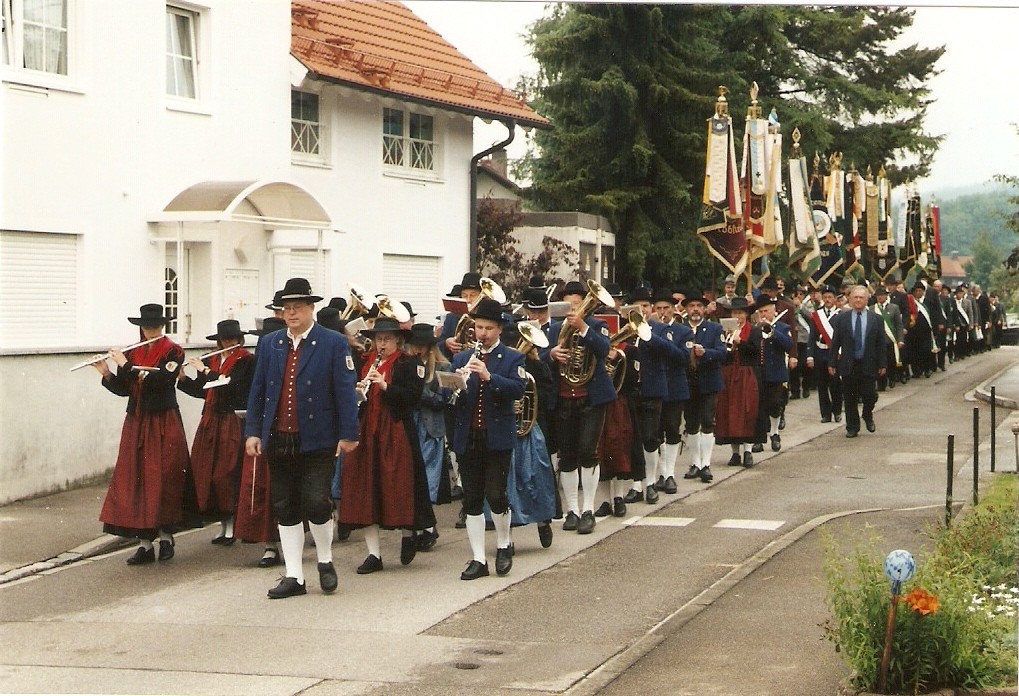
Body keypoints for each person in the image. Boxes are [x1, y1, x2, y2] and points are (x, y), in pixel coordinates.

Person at [245, 278, 360, 599]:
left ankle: (325, 560)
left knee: (315, 500)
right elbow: (259, 391)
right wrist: (253, 431)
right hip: (279, 438)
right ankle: (294, 575)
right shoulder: (270, 344)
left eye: (298, 307)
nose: (291, 313)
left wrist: (349, 433)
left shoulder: (333, 343)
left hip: (318, 438)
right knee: (284, 505)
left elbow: (345, 392)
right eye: (286, 308)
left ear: (312, 308)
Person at [338, 315, 436, 574]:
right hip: (368, 430)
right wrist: (359, 389)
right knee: (366, 489)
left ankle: (408, 535)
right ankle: (374, 554)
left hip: (395, 430)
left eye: (387, 340)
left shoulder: (409, 363)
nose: (382, 344)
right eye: (379, 339)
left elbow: (412, 399)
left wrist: (385, 385)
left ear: (399, 341)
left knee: (400, 484)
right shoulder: (365, 362)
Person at [95, 303, 189, 565]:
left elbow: (161, 383)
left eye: (155, 326)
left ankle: (167, 537)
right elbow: (127, 389)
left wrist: (124, 364)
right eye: (147, 327)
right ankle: (145, 544)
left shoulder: (173, 351)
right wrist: (107, 375)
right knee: (135, 478)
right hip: (137, 420)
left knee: (164, 476)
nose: (151, 331)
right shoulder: (134, 351)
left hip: (163, 419)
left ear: (163, 326)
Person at [450, 297, 527, 579]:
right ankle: (478, 559)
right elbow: (448, 396)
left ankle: (504, 544)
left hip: (496, 438)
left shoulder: (512, 357)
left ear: (499, 330)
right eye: (478, 327)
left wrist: (489, 376)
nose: (482, 333)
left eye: (488, 328)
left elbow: (518, 389)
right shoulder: (461, 358)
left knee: (496, 494)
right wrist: (455, 384)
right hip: (468, 437)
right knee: (471, 498)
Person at [546, 280, 616, 534]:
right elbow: (541, 357)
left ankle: (588, 508)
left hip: (591, 397)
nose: (572, 309)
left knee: (588, 451)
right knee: (567, 454)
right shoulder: (554, 330)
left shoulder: (597, 325)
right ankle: (572, 510)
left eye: (577, 304)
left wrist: (583, 327)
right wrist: (551, 355)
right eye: (569, 304)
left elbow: (604, 350)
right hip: (564, 397)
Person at [177, 319, 255, 545]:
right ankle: (222, 525)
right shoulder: (212, 359)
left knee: (226, 473)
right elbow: (204, 390)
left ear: (239, 340)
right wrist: (183, 379)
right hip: (210, 420)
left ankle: (232, 525)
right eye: (224, 339)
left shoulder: (245, 360)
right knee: (207, 473)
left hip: (230, 420)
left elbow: (233, 387)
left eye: (232, 339)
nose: (228, 343)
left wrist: (206, 371)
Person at [233, 316, 285, 568]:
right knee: (262, 486)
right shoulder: (257, 362)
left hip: (289, 430)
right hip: (266, 431)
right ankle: (270, 545)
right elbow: (252, 395)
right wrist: (253, 431)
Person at [405, 321, 451, 550]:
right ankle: (418, 525)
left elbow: (443, 400)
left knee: (428, 478)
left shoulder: (442, 367)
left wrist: (419, 390)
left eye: (422, 345)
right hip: (410, 424)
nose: (418, 349)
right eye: (415, 345)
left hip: (430, 427)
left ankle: (427, 527)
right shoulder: (407, 364)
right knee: (411, 476)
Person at [828, 285, 887, 438]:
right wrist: (832, 362)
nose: (858, 300)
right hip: (849, 363)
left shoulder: (876, 319)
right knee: (849, 396)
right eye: (855, 297)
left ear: (867, 299)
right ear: (850, 299)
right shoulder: (842, 319)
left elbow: (881, 343)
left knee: (870, 394)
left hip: (869, 363)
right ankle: (852, 427)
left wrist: (882, 364)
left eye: (861, 297)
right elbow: (836, 342)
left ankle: (867, 414)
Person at [680, 295, 727, 483]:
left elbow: (723, 352)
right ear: (686, 309)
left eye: (699, 305)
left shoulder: (714, 328)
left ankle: (706, 464)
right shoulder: (680, 328)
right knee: (691, 423)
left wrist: (706, 352)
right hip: (687, 381)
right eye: (692, 305)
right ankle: (695, 463)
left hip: (709, 380)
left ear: (705, 309)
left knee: (708, 421)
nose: (695, 309)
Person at [714, 298, 764, 468]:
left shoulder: (754, 331)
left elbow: (755, 351)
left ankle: (748, 451)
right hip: (729, 375)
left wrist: (740, 343)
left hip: (747, 374)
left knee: (748, 412)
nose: (738, 316)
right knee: (730, 413)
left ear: (746, 315)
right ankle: (735, 453)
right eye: (735, 313)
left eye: (741, 313)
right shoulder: (725, 331)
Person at [805, 286, 842, 423]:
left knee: (835, 384)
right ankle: (825, 414)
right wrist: (810, 355)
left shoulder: (840, 315)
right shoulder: (817, 315)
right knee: (822, 385)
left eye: (830, 297)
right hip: (820, 352)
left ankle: (837, 411)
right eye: (825, 297)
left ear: (834, 299)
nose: (827, 300)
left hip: (834, 353)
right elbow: (812, 336)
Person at [872, 286, 904, 392]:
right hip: (877, 341)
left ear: (886, 296)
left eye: (882, 295)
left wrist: (900, 339)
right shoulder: (872, 309)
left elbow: (899, 325)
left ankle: (892, 378)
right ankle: (881, 383)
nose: (880, 297)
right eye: (878, 295)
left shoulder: (894, 308)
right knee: (879, 362)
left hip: (890, 340)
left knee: (890, 361)